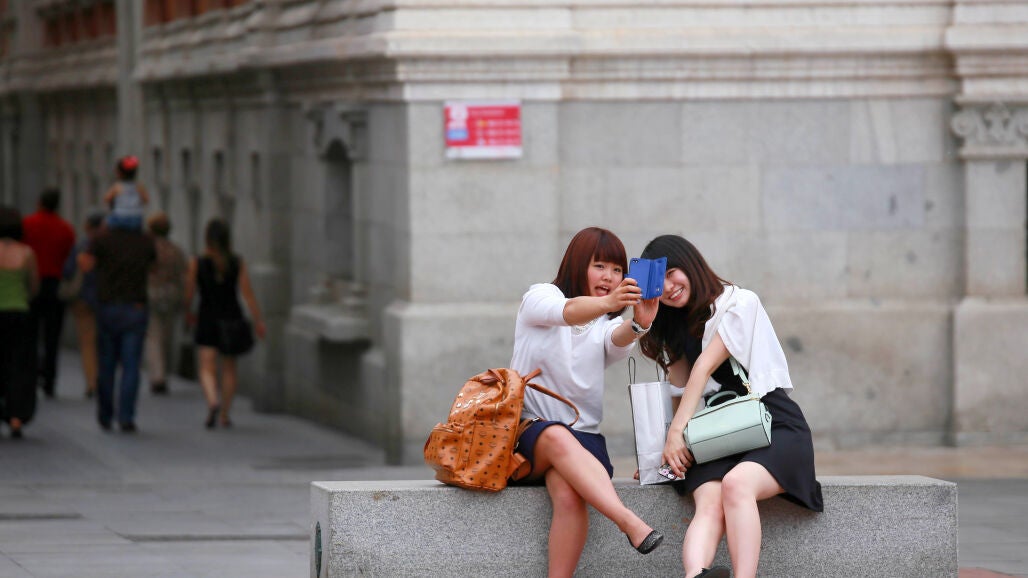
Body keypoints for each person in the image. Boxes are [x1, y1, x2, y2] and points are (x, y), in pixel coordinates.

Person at [637, 235, 823, 578]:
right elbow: (680, 391)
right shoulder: (675, 326)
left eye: (672, 273)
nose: (669, 288)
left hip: (771, 423)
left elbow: (704, 367)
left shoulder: (739, 303)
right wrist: (665, 453)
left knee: (737, 484)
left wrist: (676, 433)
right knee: (709, 502)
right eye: (659, 284)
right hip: (715, 433)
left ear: (691, 264)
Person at [509, 226, 663, 577]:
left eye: (617, 269)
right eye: (600, 266)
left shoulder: (606, 323)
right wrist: (610, 303)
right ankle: (629, 522)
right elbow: (566, 311)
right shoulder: (541, 296)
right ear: (578, 264)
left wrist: (639, 324)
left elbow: (617, 338)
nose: (609, 277)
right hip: (527, 436)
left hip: (584, 442)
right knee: (555, 435)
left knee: (568, 495)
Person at [78, 214, 157, 432]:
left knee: (107, 364)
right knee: (131, 365)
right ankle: (126, 416)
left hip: (108, 306)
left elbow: (85, 264)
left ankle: (105, 414)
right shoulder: (144, 241)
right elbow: (153, 267)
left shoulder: (102, 239)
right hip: (135, 307)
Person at [184, 218, 265, 429]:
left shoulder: (197, 262)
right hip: (231, 318)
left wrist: (188, 312)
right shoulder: (237, 262)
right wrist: (258, 320)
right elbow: (248, 294)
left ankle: (212, 400)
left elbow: (189, 292)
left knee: (206, 367)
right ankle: (225, 415)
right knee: (229, 369)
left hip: (207, 317)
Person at [22, 188, 76, 398]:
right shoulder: (65, 229)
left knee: (31, 333)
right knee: (52, 335)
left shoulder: (28, 224)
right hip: (54, 283)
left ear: (39, 202)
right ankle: (50, 379)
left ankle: (32, 372)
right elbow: (67, 255)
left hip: (31, 284)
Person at [0, 206, 39, 439]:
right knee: (19, 365)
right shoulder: (26, 253)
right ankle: (16, 416)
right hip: (19, 313)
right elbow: (33, 286)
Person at [63, 211, 105, 398]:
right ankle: (102, 379)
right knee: (103, 342)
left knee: (87, 343)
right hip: (104, 299)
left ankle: (91, 382)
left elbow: (68, 270)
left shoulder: (81, 246)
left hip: (82, 298)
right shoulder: (107, 246)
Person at [144, 212, 187, 395]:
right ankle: (164, 373)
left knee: (153, 336)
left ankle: (158, 375)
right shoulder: (175, 250)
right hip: (171, 295)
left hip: (152, 294)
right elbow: (183, 274)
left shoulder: (148, 248)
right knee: (167, 336)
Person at [103, 155, 149, 231]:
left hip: (120, 218)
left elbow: (107, 199)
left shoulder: (117, 187)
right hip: (136, 218)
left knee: (106, 222)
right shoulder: (139, 187)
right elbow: (146, 200)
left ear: (120, 173)